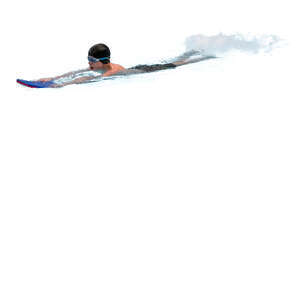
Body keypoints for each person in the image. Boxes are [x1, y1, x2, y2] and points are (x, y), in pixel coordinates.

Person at [38, 44, 216, 87]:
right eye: (89, 60)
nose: (89, 63)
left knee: (177, 64)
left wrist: (63, 85)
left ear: (104, 60)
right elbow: (77, 72)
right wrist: (52, 78)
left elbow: (86, 80)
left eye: (92, 61)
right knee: (176, 61)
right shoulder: (98, 67)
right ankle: (193, 50)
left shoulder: (109, 72)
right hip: (139, 67)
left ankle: (204, 56)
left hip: (145, 71)